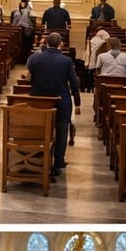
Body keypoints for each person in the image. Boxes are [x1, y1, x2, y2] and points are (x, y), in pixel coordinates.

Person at [25, 32, 80, 177]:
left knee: (40, 127)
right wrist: (78, 101)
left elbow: (28, 79)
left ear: (46, 43)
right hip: (60, 101)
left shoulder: (34, 58)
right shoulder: (66, 61)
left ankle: (37, 156)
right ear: (60, 44)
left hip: (39, 101)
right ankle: (58, 162)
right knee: (62, 131)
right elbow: (73, 83)